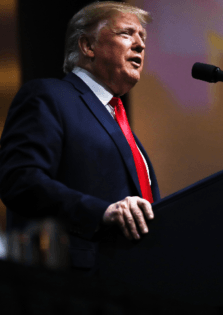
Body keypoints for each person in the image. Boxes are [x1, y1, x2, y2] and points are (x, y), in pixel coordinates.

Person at [0, 1, 160, 271]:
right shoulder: (48, 96)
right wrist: (101, 212)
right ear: (88, 46)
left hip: (136, 283)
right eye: (126, 33)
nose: (140, 44)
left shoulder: (120, 123)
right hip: (73, 282)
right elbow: (20, 180)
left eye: (142, 37)